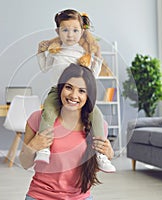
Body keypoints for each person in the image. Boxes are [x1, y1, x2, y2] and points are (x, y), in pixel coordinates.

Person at [36, 9, 115, 173]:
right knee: (48, 112)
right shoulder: (55, 50)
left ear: (82, 31)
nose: (70, 35)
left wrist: (98, 57)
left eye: (75, 30)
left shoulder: (84, 53)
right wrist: (40, 52)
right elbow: (44, 68)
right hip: (57, 92)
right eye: (65, 30)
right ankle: (44, 149)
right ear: (58, 32)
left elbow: (92, 75)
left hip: (80, 94)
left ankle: (101, 155)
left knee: (97, 116)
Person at [19, 63, 115, 200]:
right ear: (60, 88)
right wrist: (33, 146)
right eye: (69, 88)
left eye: (82, 91)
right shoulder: (38, 119)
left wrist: (109, 154)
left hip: (80, 197)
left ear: (89, 95)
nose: (73, 95)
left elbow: (90, 168)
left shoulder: (99, 127)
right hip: (41, 196)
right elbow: (25, 163)